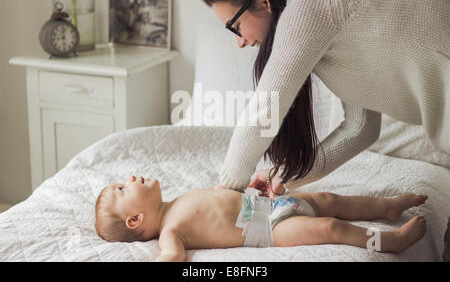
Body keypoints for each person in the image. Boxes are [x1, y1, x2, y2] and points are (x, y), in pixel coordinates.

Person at [201, 0, 450, 198]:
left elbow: (266, 108)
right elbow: (361, 128)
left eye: (235, 26)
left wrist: (228, 188)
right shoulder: (330, 15)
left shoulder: (313, 2)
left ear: (261, 0)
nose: (240, 42)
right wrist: (283, 176)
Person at [95, 175, 428, 261]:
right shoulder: (171, 230)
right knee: (330, 226)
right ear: (135, 220)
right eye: (122, 188)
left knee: (331, 200)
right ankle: (387, 241)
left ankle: (387, 208)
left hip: (270, 204)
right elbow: (172, 256)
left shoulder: (177, 200)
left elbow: (221, 200)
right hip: (270, 228)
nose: (130, 177)